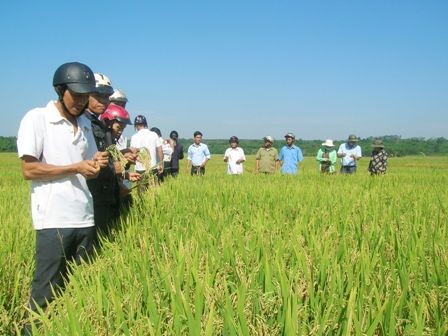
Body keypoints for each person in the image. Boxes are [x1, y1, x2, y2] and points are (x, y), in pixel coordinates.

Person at [17, 62, 109, 318]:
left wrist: (95, 165)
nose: (81, 101)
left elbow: (88, 165)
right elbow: (30, 170)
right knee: (45, 291)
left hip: (85, 217)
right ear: (60, 89)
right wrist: (76, 167)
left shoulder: (86, 125)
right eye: (76, 95)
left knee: (79, 288)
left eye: (85, 96)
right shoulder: (37, 118)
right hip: (54, 220)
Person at [84, 73, 121, 237]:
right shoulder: (83, 122)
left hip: (106, 194)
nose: (104, 101)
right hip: (93, 196)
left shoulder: (97, 122)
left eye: (107, 97)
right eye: (98, 96)